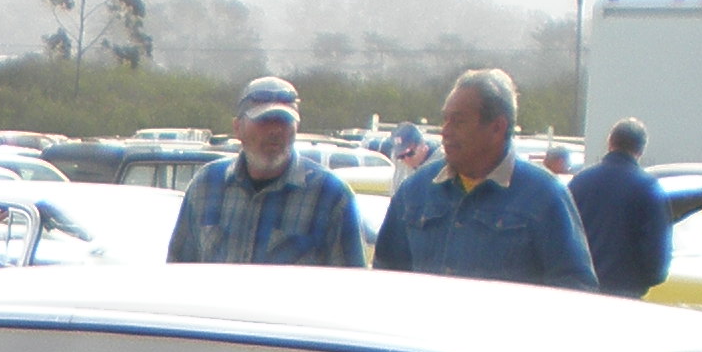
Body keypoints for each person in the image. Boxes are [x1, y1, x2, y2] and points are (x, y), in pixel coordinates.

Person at [373, 70, 598, 290]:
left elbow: (577, 292)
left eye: (458, 122)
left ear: (497, 128)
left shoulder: (545, 196)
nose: (446, 131)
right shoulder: (414, 192)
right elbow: (384, 281)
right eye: (445, 120)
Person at [168, 75, 365, 268]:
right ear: (238, 128)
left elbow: (350, 287)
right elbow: (179, 271)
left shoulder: (330, 195)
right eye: (264, 120)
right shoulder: (206, 185)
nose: (275, 130)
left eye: (284, 121)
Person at [568, 118, 671, 299]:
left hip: (582, 288)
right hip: (625, 291)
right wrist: (647, 279)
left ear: (610, 142)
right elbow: (656, 252)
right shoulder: (648, 188)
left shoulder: (579, 182)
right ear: (641, 149)